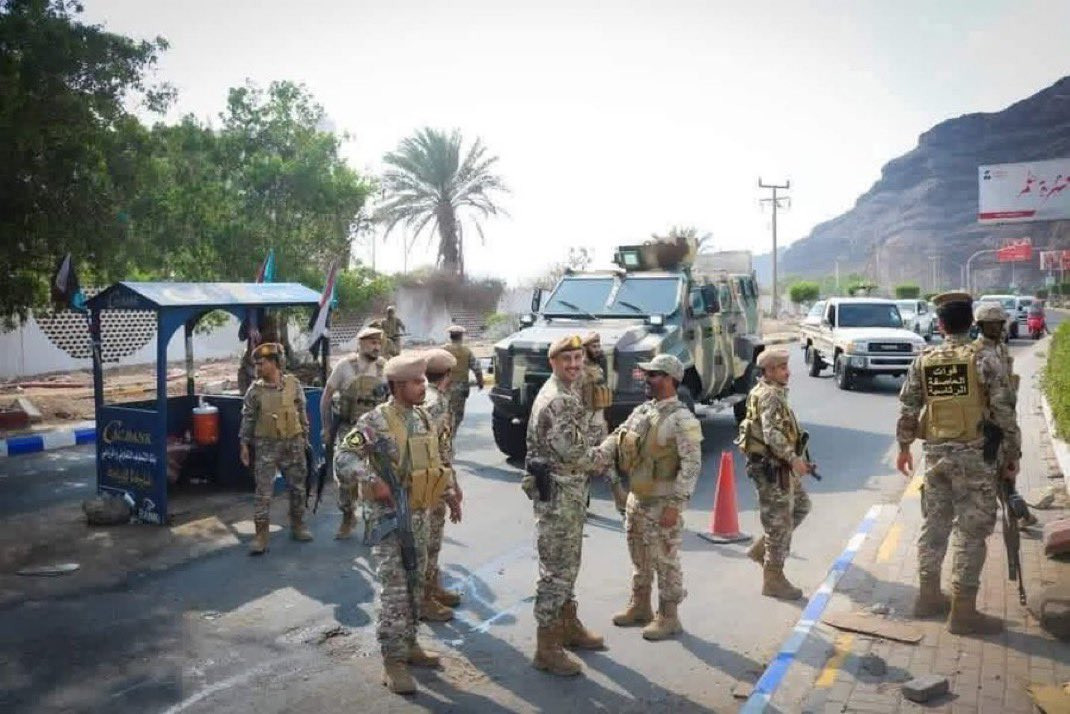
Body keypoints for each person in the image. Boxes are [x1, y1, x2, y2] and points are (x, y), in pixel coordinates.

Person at [334, 352, 461, 695]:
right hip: (389, 521)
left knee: (417, 585)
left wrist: (448, 491)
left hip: (420, 517)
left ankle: (410, 643)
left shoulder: (423, 417)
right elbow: (343, 456)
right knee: (395, 593)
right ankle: (393, 661)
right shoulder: (374, 421)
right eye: (416, 382)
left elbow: (436, 459)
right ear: (396, 385)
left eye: (423, 380)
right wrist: (370, 478)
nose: (422, 386)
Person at [896, 291, 1021, 635]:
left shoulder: (924, 359)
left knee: (935, 525)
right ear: (972, 323)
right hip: (975, 459)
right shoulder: (984, 359)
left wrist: (904, 447)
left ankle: (928, 597)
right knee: (971, 530)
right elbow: (1004, 412)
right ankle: (963, 612)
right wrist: (1012, 455)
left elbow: (908, 408)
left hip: (936, 457)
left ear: (940, 325)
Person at [523, 335, 609, 677]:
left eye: (578, 358)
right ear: (553, 362)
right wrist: (605, 455)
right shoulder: (558, 399)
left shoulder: (566, 390)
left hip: (568, 490)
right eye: (567, 360)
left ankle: (568, 625)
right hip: (559, 493)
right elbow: (573, 452)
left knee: (568, 564)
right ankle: (546, 647)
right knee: (557, 571)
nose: (574, 365)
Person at [600, 354, 702, 640]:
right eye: (646, 374)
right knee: (640, 556)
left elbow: (692, 465)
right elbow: (619, 435)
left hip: (662, 504)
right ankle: (640, 606)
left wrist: (675, 505)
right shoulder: (643, 411)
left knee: (665, 561)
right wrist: (600, 453)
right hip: (638, 499)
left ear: (670, 379)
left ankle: (669, 616)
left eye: (654, 374)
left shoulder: (682, 419)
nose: (647, 379)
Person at [735, 348, 813, 600]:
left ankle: (763, 550)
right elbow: (772, 434)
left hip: (778, 466)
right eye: (781, 368)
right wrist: (793, 459)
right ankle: (773, 579)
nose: (787, 372)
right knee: (779, 524)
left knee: (800, 506)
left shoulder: (767, 391)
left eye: (786, 366)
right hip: (771, 469)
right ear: (768, 371)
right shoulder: (770, 396)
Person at [239, 342, 313, 555]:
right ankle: (261, 535)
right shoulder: (255, 391)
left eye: (261, 363)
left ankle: (298, 525)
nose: (258, 368)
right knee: (263, 492)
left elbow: (301, 411)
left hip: (293, 443)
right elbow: (248, 418)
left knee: (298, 487)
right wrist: (244, 445)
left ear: (274, 363)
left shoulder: (293, 384)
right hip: (266, 446)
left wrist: (305, 437)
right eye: (256, 364)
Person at [319, 326, 388, 539]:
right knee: (346, 475)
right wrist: (326, 427)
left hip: (376, 431)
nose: (376, 347)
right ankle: (348, 516)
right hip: (351, 431)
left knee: (377, 476)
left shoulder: (384, 367)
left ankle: (374, 521)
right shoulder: (344, 367)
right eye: (372, 342)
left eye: (378, 343)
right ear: (360, 344)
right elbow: (326, 397)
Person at [973, 303, 1036, 528]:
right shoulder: (980, 354)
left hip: (1002, 418)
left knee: (1005, 473)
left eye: (997, 324)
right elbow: (998, 403)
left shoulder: (1000, 348)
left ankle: (1016, 511)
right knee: (999, 471)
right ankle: (1010, 513)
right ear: (980, 326)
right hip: (991, 424)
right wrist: (1012, 444)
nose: (995, 328)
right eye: (989, 325)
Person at [421, 348, 463, 620]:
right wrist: (451, 487)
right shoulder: (435, 403)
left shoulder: (429, 397)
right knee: (429, 539)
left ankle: (432, 586)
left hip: (434, 478)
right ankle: (424, 598)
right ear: (447, 375)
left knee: (433, 538)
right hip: (432, 481)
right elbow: (438, 450)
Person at [578, 332, 626, 514]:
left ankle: (620, 500)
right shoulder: (580, 371)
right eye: (594, 347)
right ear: (585, 349)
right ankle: (581, 503)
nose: (598, 350)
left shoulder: (597, 367)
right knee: (583, 465)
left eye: (599, 346)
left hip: (599, 423)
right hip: (586, 424)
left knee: (607, 461)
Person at [442, 325, 484, 443]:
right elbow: (477, 368)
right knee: (457, 416)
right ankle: (449, 439)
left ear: (450, 336)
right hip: (460, 389)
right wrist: (480, 382)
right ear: (461, 336)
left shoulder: (443, 350)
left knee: (444, 414)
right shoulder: (466, 351)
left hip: (444, 387)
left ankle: (445, 438)